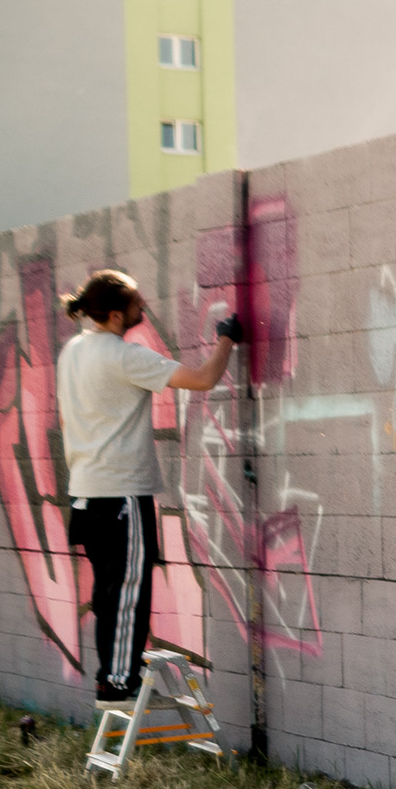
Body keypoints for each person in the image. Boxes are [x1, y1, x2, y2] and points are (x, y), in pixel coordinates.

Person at [56, 269, 236, 702]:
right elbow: (203, 379)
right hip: (121, 496)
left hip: (85, 496)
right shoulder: (123, 356)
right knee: (128, 593)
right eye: (137, 302)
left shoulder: (72, 351)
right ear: (116, 315)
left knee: (108, 592)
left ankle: (114, 674)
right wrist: (227, 340)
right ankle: (117, 680)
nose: (145, 306)